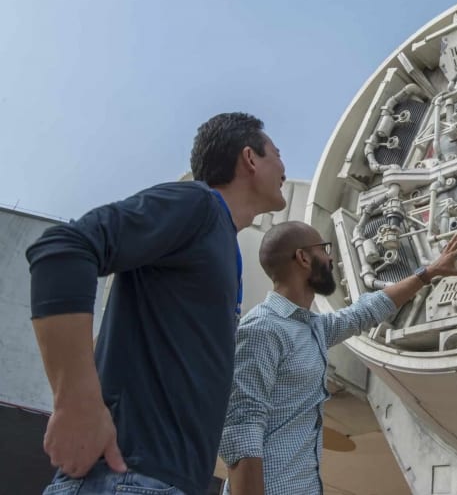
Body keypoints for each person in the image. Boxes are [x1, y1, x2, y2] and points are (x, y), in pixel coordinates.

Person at [27, 112, 287, 495]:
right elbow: (64, 249)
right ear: (250, 159)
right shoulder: (198, 205)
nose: (284, 166)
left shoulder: (221, 242)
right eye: (276, 154)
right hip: (127, 479)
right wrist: (77, 402)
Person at [219, 221, 457, 495]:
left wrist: (428, 273)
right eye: (324, 249)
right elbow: (241, 430)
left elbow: (364, 312)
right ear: (303, 258)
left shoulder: (312, 327)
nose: (330, 258)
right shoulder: (263, 330)